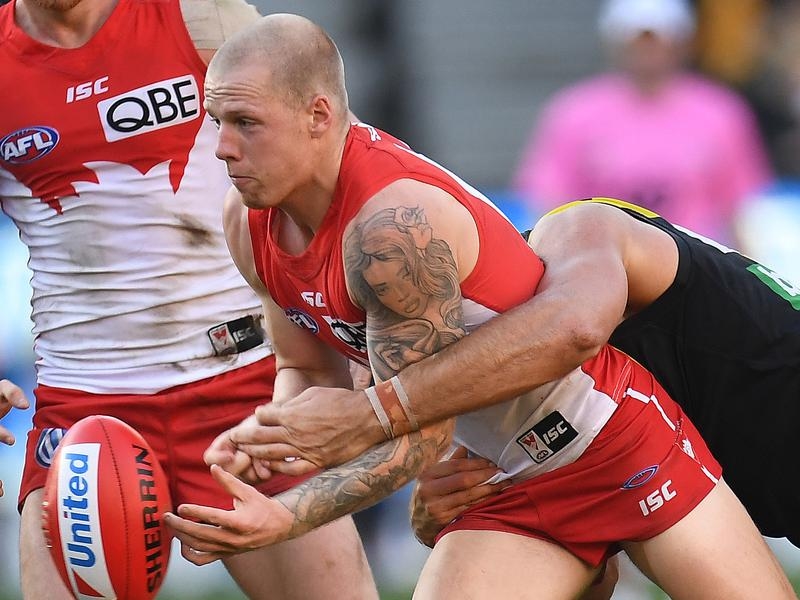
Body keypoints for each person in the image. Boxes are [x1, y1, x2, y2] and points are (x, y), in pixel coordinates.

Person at [162, 14, 795, 599]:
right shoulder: (248, 220)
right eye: (217, 122)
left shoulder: (390, 227)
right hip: (496, 476)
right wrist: (271, 441)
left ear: (318, 115)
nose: (222, 148)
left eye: (246, 123)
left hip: (613, 446)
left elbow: (415, 430)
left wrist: (286, 515)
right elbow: (309, 370)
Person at [0, 1, 377, 598]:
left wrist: (356, 335)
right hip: (83, 407)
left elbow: (334, 159)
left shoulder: (199, 15)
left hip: (247, 384)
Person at [511, 0, 772, 246]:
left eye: (657, 41)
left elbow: (741, 211)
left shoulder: (719, 112)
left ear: (682, 43)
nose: (648, 51)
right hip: (604, 261)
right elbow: (548, 203)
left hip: (695, 263)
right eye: (638, 42)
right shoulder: (574, 112)